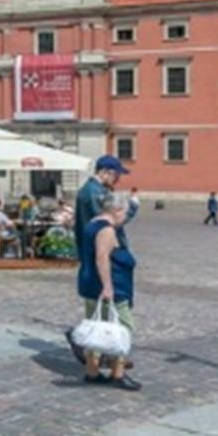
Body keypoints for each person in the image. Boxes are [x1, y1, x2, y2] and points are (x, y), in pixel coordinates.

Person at [70, 155, 131, 361]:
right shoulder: (95, 193)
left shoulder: (89, 190)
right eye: (116, 175)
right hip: (102, 254)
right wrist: (132, 211)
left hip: (91, 253)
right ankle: (107, 354)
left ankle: (97, 357)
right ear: (105, 172)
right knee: (115, 315)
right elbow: (110, 220)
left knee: (96, 311)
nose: (117, 181)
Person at [79, 190, 140, 391]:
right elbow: (102, 257)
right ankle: (118, 373)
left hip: (90, 283)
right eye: (125, 213)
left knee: (96, 326)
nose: (125, 218)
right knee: (123, 327)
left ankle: (92, 371)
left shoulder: (92, 223)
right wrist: (108, 286)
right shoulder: (106, 230)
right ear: (117, 210)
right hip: (110, 286)